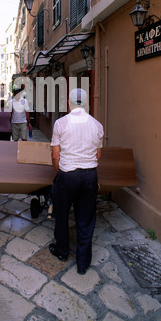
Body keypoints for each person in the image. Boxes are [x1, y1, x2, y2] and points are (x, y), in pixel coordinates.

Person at [49, 88, 104, 275]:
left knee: (62, 214)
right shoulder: (97, 125)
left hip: (67, 174)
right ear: (87, 103)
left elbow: (55, 156)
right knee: (86, 219)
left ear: (69, 103)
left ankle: (62, 251)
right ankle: (82, 263)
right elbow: (98, 156)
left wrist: (60, 173)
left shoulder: (60, 123)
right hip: (89, 176)